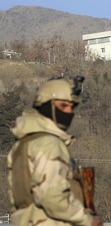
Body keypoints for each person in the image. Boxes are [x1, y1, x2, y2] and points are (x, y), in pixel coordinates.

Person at [7, 77, 103, 226]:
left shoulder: (23, 143)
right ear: (45, 105)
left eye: (72, 107)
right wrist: (87, 219)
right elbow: (51, 197)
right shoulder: (49, 144)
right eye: (63, 106)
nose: (69, 112)